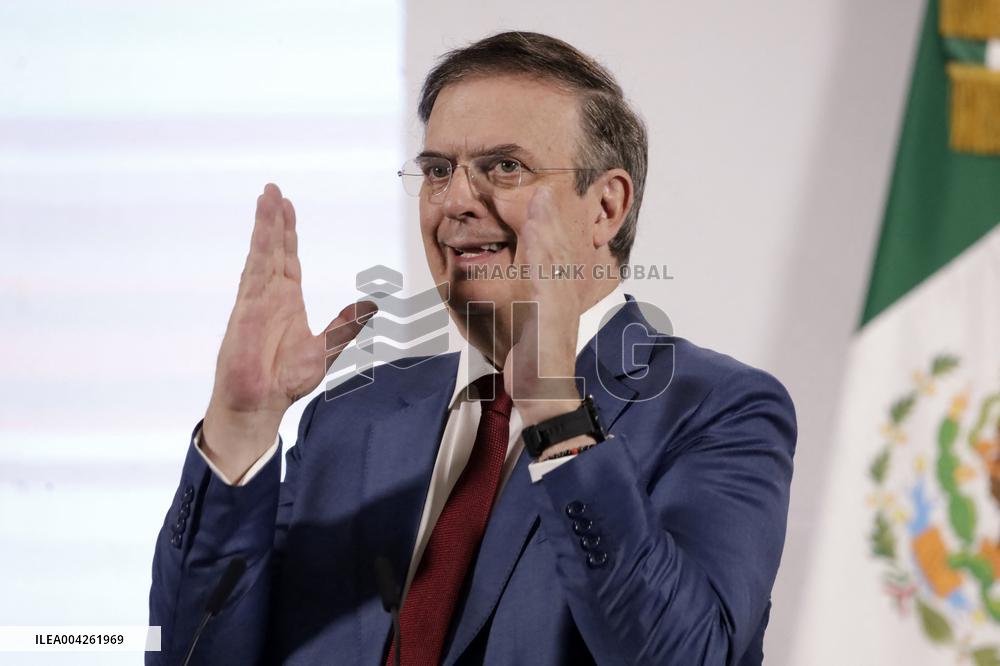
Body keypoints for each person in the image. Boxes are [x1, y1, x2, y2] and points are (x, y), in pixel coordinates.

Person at [148, 31, 796, 665]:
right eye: (437, 170)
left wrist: (554, 411)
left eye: (503, 167)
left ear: (605, 207)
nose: (455, 201)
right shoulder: (350, 420)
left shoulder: (719, 410)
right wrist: (241, 428)